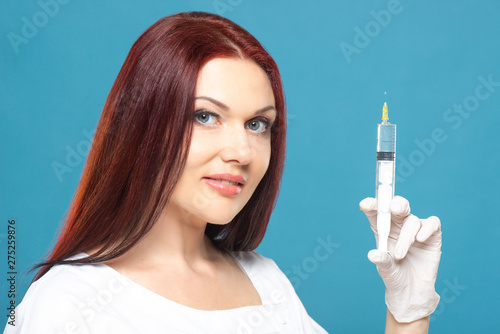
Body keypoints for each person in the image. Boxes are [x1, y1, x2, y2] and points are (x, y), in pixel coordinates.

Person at [4, 11, 442, 334]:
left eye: (258, 124)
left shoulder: (264, 281)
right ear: (142, 124)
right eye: (206, 116)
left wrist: (408, 311)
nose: (242, 152)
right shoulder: (67, 304)